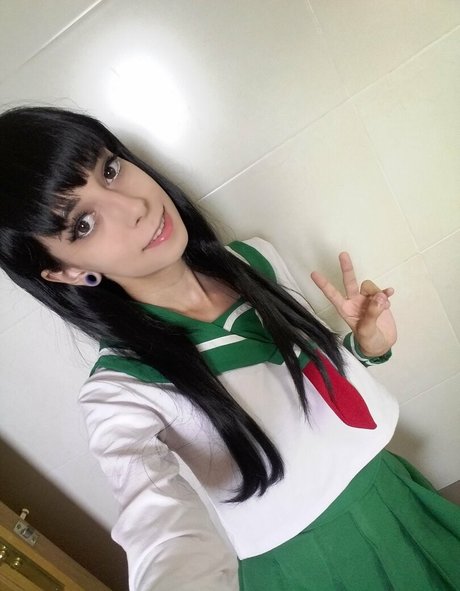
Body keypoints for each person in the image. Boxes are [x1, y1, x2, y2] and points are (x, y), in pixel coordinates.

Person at [0, 106, 458, 591]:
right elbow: (158, 530)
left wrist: (364, 348)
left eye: (110, 170)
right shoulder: (120, 390)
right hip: (311, 568)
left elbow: (311, 389)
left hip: (389, 488)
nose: (133, 206)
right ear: (66, 271)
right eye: (83, 224)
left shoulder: (252, 259)